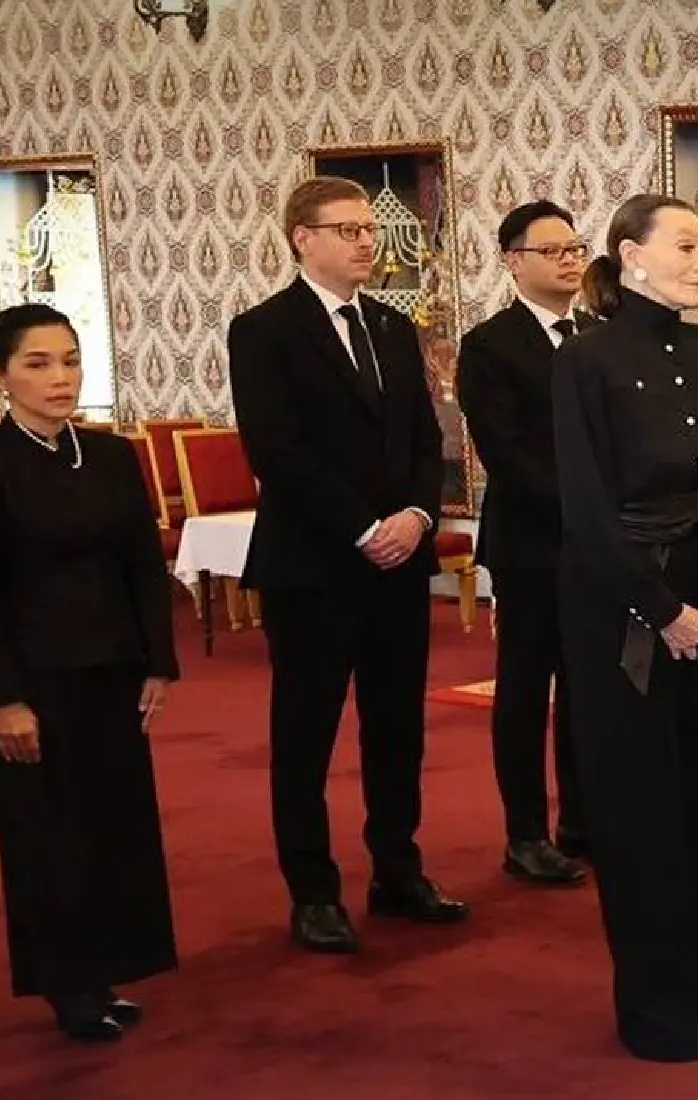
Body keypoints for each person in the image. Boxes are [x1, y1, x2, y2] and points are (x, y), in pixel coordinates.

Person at [227, 176, 468, 954]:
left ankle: (397, 870)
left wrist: (417, 515)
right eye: (349, 229)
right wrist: (364, 524)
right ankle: (313, 890)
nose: (368, 241)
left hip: (398, 562)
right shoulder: (263, 330)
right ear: (303, 237)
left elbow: (425, 439)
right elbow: (277, 451)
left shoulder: (394, 329)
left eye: (371, 228)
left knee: (397, 730)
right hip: (315, 565)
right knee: (306, 734)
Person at [0, 303, 180, 1042]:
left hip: (113, 671)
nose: (60, 377)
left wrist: (159, 661)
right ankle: (65, 982)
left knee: (113, 825)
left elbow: (143, 564)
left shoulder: (110, 455)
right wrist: (6, 696)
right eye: (37, 363)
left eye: (69, 359)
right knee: (48, 832)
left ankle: (105, 967)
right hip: (33, 679)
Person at [550, 193, 698, 1062]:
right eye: (689, 246)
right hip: (618, 605)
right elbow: (586, 508)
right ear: (631, 256)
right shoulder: (587, 360)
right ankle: (657, 1009)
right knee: (639, 809)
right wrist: (661, 610)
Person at [456, 200, 592, 886]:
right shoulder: (491, 345)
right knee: (524, 688)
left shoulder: (598, 334)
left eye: (575, 247)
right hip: (532, 544)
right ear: (513, 261)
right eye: (553, 250)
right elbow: (504, 452)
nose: (571, 260)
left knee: (585, 685)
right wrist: (583, 510)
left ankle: (581, 817)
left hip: (598, 548)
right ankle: (525, 831)